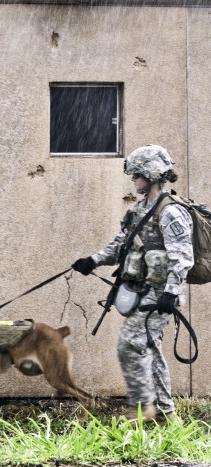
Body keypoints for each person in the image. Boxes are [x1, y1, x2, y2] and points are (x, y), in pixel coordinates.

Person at [72, 145, 193, 422]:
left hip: (161, 293)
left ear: (151, 174)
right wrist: (92, 260)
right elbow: (120, 245)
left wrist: (171, 293)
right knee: (149, 347)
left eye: (137, 174)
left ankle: (141, 409)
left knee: (129, 343)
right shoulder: (139, 209)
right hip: (142, 288)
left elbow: (182, 257)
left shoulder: (171, 211)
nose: (133, 179)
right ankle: (166, 413)